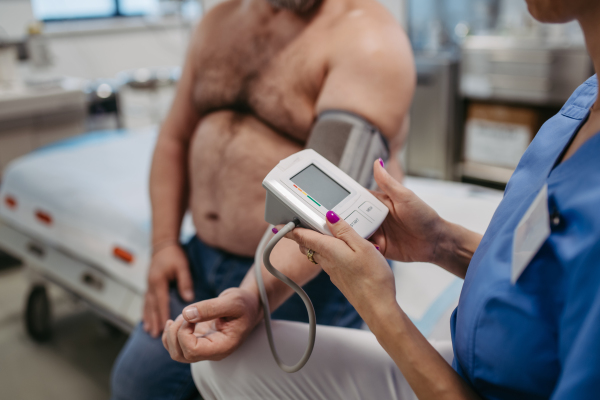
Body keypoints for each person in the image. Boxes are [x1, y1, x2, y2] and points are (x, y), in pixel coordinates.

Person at [163, 0, 600, 399]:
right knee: (196, 374)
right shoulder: (584, 108)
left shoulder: (366, 39)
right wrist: (442, 243)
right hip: (475, 362)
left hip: (306, 286)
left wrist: (378, 308)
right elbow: (543, 266)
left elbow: (330, 202)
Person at [110, 0, 414, 397]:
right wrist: (164, 243)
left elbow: (328, 209)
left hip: (303, 275)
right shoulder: (220, 21)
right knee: (137, 386)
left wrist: (254, 296)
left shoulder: (368, 41)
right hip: (201, 259)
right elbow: (174, 138)